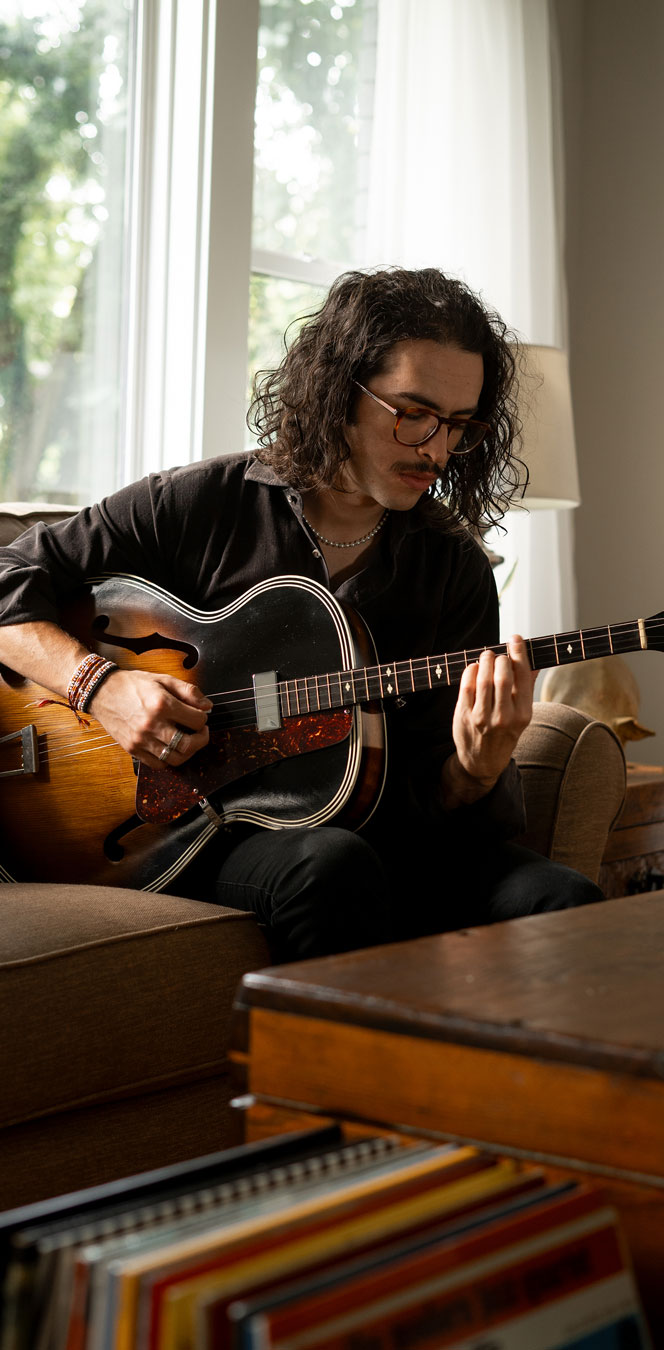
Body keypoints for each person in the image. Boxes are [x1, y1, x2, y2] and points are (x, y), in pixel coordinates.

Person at [0, 266, 603, 959]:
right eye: (413, 414)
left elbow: (432, 805)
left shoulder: (451, 566)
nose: (436, 448)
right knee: (332, 866)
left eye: (459, 425)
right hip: (189, 831)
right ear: (341, 392)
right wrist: (99, 686)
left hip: (378, 839)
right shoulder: (199, 505)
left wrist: (474, 770)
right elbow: (8, 573)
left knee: (560, 902)